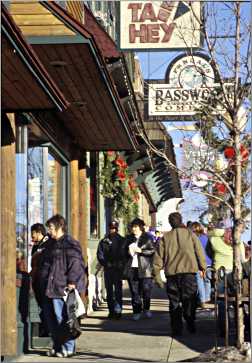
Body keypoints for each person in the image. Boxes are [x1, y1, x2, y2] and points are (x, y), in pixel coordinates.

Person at [153, 212, 207, 336]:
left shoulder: (165, 238)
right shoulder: (190, 234)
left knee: (174, 302)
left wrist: (157, 275)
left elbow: (158, 258)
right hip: (188, 272)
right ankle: (190, 320)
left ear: (170, 222)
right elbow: (199, 251)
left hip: (172, 274)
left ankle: (176, 328)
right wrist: (203, 267)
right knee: (190, 299)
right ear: (181, 220)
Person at [40, 214, 86, 358]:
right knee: (51, 319)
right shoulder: (49, 244)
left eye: (51, 227)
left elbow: (76, 264)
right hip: (49, 288)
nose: (49, 230)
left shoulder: (70, 243)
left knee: (64, 319)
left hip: (62, 288)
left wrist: (72, 282)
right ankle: (57, 346)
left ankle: (69, 347)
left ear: (60, 227)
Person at [206, 224, 245, 337]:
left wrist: (216, 257)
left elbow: (208, 250)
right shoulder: (238, 242)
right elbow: (242, 259)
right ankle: (239, 327)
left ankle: (223, 329)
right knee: (237, 301)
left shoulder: (214, 240)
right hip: (234, 274)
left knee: (221, 302)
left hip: (219, 273)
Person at [124, 218, 155, 321]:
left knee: (146, 290)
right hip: (132, 268)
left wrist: (141, 250)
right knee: (134, 291)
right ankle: (136, 311)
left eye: (136, 227)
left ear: (141, 227)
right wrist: (128, 252)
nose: (134, 229)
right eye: (133, 227)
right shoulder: (128, 238)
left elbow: (152, 251)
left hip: (145, 268)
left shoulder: (148, 238)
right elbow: (123, 252)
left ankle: (146, 309)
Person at [97, 220, 125, 319]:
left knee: (118, 290)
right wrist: (105, 263)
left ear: (117, 229)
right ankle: (111, 311)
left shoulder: (122, 240)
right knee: (109, 291)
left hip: (118, 269)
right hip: (108, 269)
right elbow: (100, 255)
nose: (112, 230)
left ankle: (118, 310)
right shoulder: (103, 241)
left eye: (114, 228)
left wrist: (120, 264)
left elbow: (125, 255)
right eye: (111, 228)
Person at [30, 223, 51, 336]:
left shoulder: (48, 243)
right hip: (37, 280)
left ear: (39, 232)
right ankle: (44, 328)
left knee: (45, 305)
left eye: (33, 234)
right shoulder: (36, 245)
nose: (31, 237)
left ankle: (47, 330)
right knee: (41, 305)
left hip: (45, 280)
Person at [191, 222, 212, 308]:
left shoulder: (194, 239)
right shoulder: (207, 238)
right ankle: (207, 298)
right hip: (209, 262)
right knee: (207, 281)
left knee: (200, 282)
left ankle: (202, 300)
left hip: (198, 263)